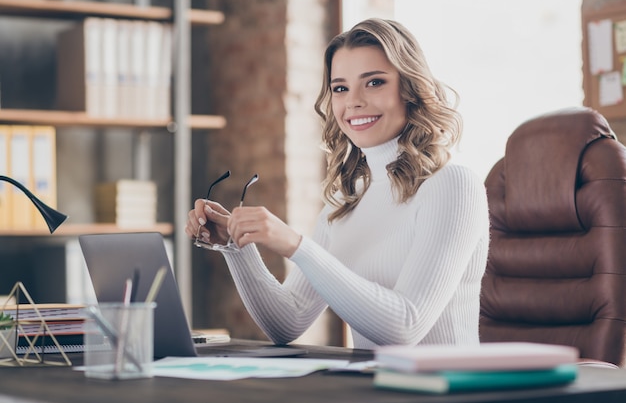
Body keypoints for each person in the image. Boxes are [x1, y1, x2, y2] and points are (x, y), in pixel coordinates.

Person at [185, 18, 489, 349]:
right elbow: (287, 322)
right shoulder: (346, 200)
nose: (353, 102)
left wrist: (297, 246)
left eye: (374, 83)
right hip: (371, 389)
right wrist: (234, 245)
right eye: (340, 88)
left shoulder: (454, 186)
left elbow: (405, 326)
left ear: (410, 88)